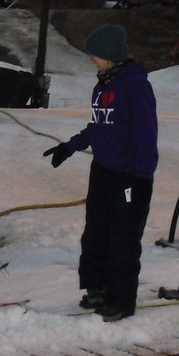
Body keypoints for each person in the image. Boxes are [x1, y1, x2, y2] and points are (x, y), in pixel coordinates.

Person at [43, 24, 158, 322]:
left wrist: (142, 177)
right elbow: (97, 127)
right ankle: (97, 288)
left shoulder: (135, 86)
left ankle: (121, 300)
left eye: (95, 54)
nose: (91, 59)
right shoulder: (103, 85)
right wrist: (68, 147)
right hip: (103, 171)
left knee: (122, 238)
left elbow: (146, 135)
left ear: (111, 54)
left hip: (128, 176)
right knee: (95, 233)